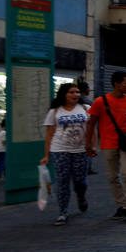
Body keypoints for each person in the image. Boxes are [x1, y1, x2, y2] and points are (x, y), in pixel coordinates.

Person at [85, 71, 126, 223]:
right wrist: (88, 144)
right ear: (116, 84)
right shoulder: (100, 102)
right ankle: (121, 205)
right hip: (108, 144)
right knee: (113, 177)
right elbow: (91, 123)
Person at [40, 83, 90, 225]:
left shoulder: (86, 109)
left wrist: (92, 146)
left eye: (77, 92)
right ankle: (63, 212)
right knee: (62, 181)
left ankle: (81, 196)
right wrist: (46, 155)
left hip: (80, 150)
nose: (76, 95)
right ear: (64, 94)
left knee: (80, 180)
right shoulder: (55, 111)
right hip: (60, 149)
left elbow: (92, 129)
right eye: (72, 92)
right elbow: (49, 134)